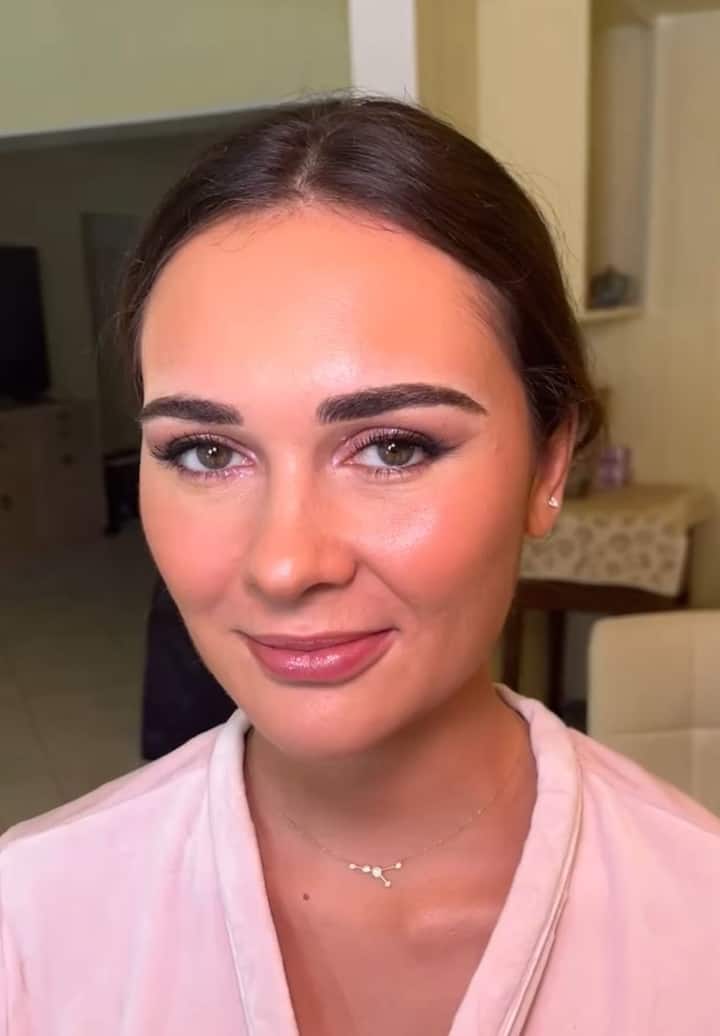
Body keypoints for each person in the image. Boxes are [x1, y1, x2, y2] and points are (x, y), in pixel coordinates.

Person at [1, 97, 718, 1036]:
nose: (285, 564)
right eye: (207, 453)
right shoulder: (31, 921)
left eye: (392, 447)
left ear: (549, 465)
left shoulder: (698, 919)